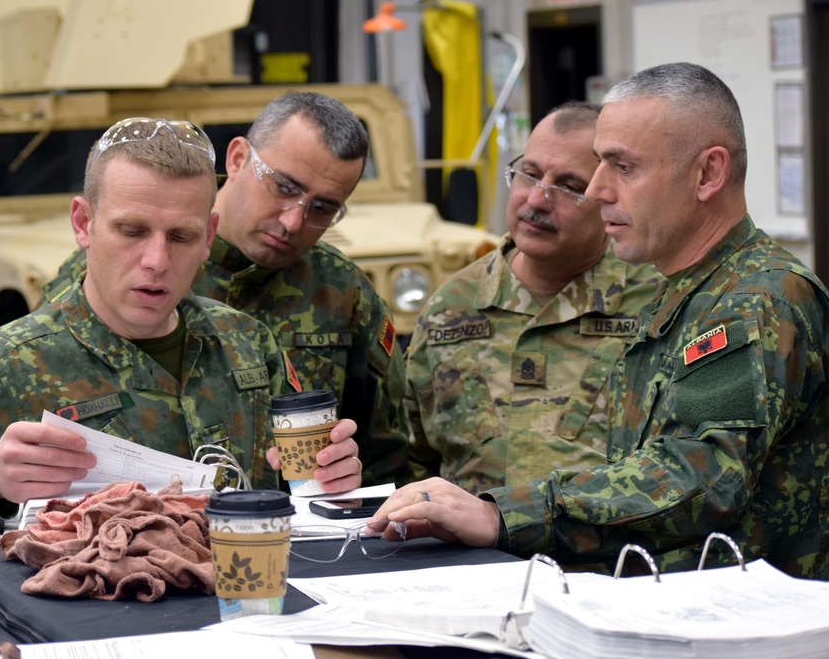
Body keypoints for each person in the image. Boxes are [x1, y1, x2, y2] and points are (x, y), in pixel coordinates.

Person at [373, 62, 829, 580]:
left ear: (708, 174)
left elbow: (699, 475)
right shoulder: (687, 292)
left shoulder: (752, 300)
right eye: (596, 166)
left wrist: (501, 514)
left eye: (623, 167)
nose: (594, 191)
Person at [0, 117, 362, 539]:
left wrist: (331, 477)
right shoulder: (9, 367)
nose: (156, 260)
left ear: (209, 237)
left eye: (181, 237)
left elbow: (305, 487)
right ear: (83, 225)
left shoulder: (248, 346)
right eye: (131, 231)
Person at [42, 93, 409, 486]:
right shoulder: (108, 273)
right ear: (238, 159)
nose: (293, 221)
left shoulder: (343, 291)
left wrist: (342, 476)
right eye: (284, 187)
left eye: (322, 209)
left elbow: (387, 454)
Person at [405, 102, 659, 494]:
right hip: (475, 555)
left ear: (612, 199)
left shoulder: (656, 306)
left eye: (570, 187)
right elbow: (412, 460)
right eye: (530, 174)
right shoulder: (451, 307)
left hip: (606, 554)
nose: (538, 200)